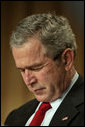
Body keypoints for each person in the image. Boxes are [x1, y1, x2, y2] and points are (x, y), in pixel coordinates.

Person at [4, 13, 84, 126]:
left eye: (36, 68)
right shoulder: (15, 117)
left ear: (66, 59)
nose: (28, 81)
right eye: (22, 70)